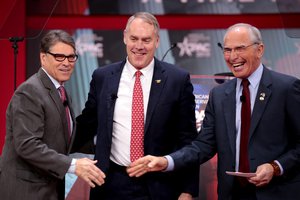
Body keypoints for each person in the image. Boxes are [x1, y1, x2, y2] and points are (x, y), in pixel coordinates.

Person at [127, 23, 300, 200]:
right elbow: (203, 146)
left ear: (260, 50)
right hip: (232, 194)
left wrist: (276, 166)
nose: (233, 57)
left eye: (240, 48)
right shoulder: (219, 95)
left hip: (277, 192)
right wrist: (166, 161)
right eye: (227, 50)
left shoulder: (286, 88)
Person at [71, 12, 199, 200]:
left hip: (160, 186)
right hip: (111, 184)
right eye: (134, 39)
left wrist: (188, 190)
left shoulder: (177, 80)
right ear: (124, 37)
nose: (139, 46)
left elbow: (187, 139)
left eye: (146, 40)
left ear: (157, 41)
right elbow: (86, 125)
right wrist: (50, 150)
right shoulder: (103, 77)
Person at [0, 30, 105, 200]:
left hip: (50, 188)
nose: (66, 63)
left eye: (71, 57)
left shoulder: (62, 91)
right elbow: (27, 145)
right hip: (27, 190)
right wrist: (73, 165)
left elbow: (63, 139)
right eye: (59, 57)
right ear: (43, 57)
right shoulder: (29, 91)